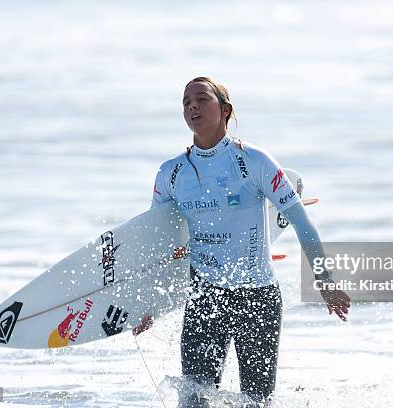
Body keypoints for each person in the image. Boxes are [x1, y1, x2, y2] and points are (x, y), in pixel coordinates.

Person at [133, 77, 351, 407]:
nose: (192, 105)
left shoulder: (254, 161)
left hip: (257, 298)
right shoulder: (171, 173)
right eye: (186, 101)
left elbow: (302, 224)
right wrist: (148, 304)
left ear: (225, 110)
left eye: (202, 99)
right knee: (192, 401)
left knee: (257, 402)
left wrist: (325, 280)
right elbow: (158, 243)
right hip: (205, 298)